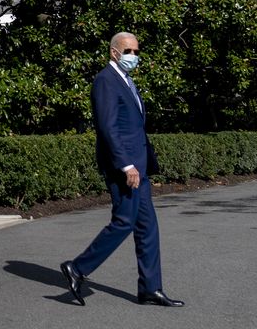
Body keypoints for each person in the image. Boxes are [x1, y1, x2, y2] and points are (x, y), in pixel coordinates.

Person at [61, 32, 184, 307]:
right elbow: (108, 127)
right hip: (124, 166)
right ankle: (77, 268)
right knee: (124, 222)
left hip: (138, 165)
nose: (134, 57)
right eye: (129, 51)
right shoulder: (106, 80)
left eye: (137, 51)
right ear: (114, 52)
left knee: (147, 226)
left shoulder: (126, 81)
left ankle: (150, 289)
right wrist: (126, 164)